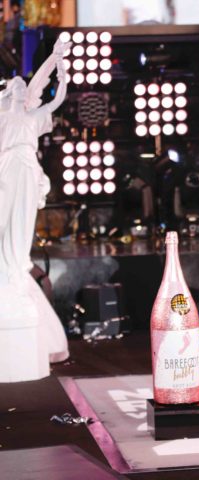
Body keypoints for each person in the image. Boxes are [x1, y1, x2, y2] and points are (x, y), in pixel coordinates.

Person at [0, 38, 70, 379]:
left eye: (21, 88)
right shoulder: (2, 117)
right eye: (13, 88)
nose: (18, 92)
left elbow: (54, 97)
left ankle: (13, 271)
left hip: (25, 172)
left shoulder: (33, 115)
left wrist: (59, 67)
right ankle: (8, 270)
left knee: (20, 229)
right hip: (6, 172)